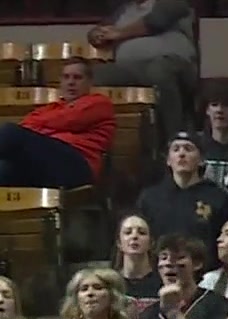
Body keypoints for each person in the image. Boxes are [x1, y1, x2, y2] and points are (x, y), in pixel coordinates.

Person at [87, 0, 198, 141]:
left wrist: (118, 33)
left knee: (158, 72)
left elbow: (156, 21)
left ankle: (174, 140)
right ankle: (106, 140)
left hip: (173, 62)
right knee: (97, 75)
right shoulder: (124, 10)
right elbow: (100, 29)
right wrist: (96, 34)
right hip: (131, 69)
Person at [0, 57, 114, 188]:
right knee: (5, 168)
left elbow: (70, 120)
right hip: (46, 164)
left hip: (78, 165)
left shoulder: (99, 103)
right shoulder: (51, 108)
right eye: (66, 77)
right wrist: (52, 126)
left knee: (10, 132)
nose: (71, 82)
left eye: (77, 78)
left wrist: (44, 128)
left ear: (89, 82)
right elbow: (26, 125)